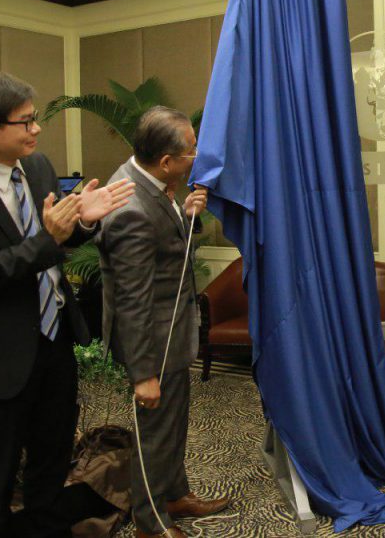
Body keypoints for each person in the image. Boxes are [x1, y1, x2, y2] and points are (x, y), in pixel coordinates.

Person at [0, 71, 135, 537]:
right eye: (26, 121)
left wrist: (84, 223)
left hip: (54, 342)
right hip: (0, 356)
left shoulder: (36, 168)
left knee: (51, 461)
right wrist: (49, 238)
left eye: (35, 118)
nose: (37, 129)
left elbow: (57, 242)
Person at [98, 106, 229, 538]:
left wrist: (186, 216)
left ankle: (174, 494)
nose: (198, 155)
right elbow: (132, 299)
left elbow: (164, 251)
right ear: (167, 161)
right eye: (192, 150)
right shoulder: (131, 207)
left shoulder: (150, 182)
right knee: (153, 433)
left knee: (173, 424)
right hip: (151, 343)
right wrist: (143, 375)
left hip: (171, 333)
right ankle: (150, 522)